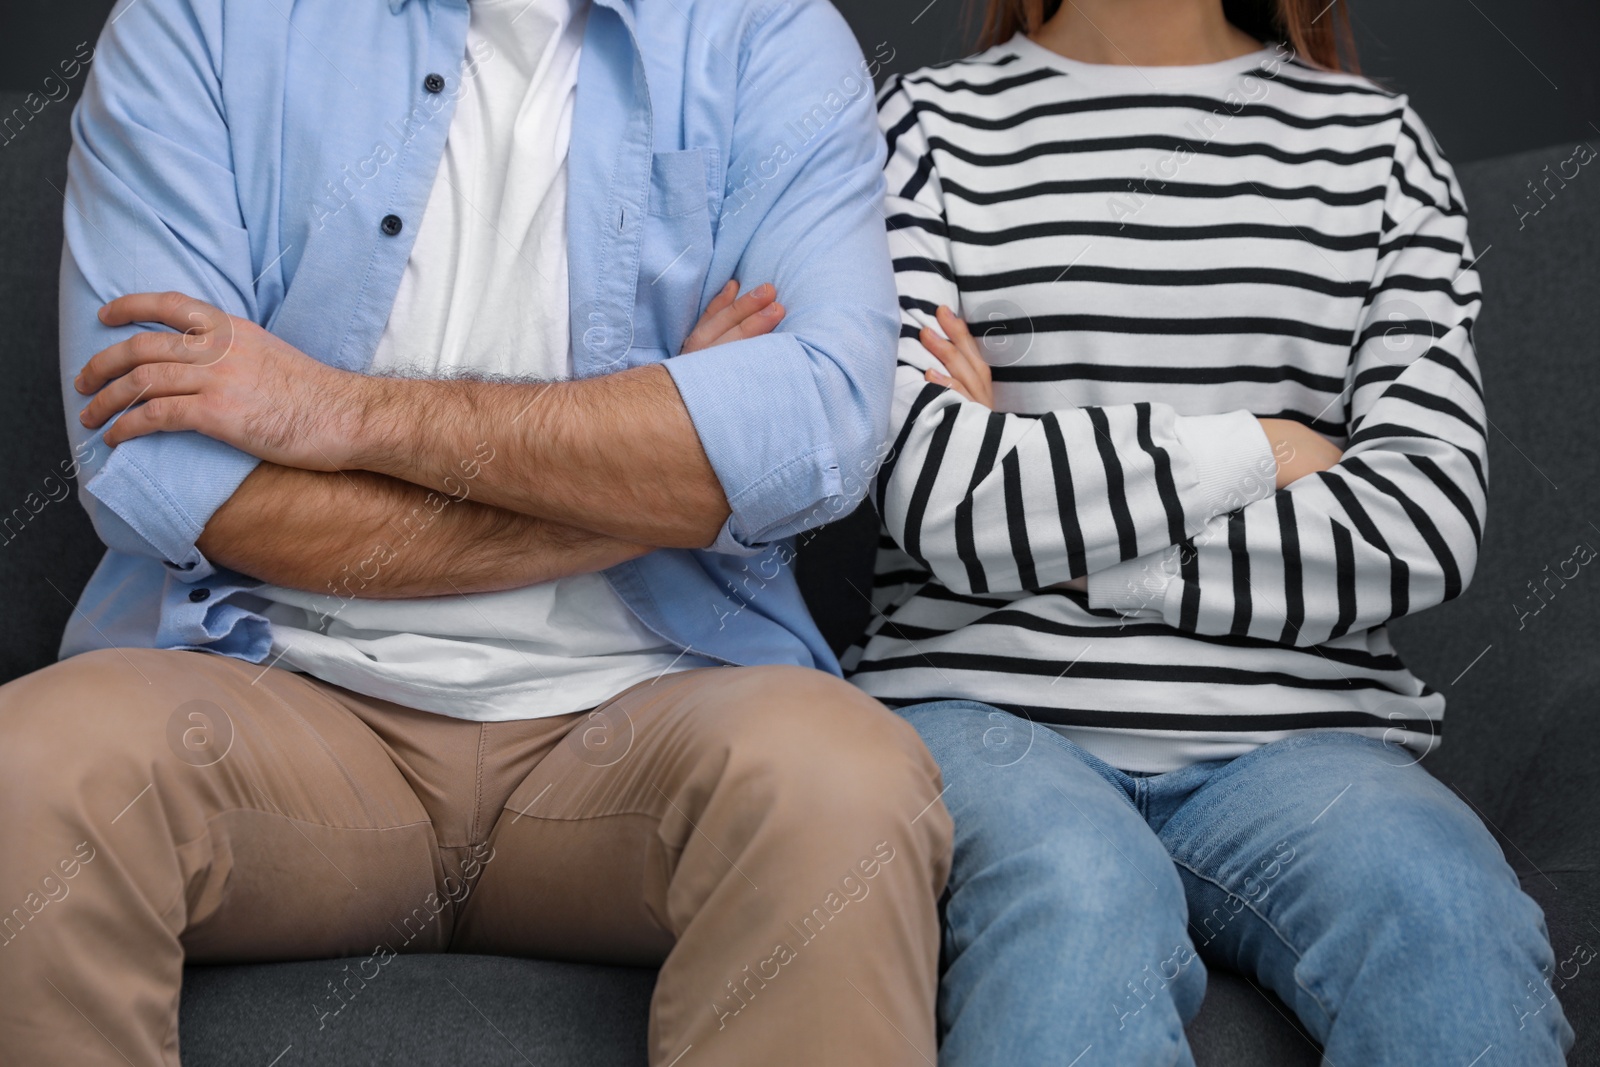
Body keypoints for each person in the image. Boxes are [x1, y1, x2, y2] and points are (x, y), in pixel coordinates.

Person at [0, 1, 953, 1065]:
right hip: (278, 708)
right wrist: (662, 463)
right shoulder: (198, 20)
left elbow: (814, 432)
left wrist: (334, 410)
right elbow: (163, 473)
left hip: (652, 712)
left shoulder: (768, 31)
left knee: (845, 781)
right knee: (29, 765)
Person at [848, 0, 1574, 1063]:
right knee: (1077, 891)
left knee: (1444, 909)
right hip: (986, 724)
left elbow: (1423, 518)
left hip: (1303, 746)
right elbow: (935, 493)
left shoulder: (1377, 147)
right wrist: (1267, 448)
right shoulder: (919, 129)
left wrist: (1036, 491)